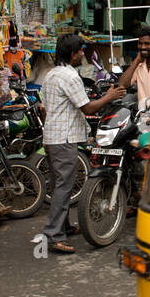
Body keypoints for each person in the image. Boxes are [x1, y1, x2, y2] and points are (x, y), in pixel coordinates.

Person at [40, 35, 124, 255]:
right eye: (80, 52)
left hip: (53, 137)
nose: (82, 55)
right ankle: (53, 235)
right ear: (72, 54)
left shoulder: (51, 75)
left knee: (61, 183)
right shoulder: (69, 76)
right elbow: (88, 108)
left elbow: (46, 109)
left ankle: (63, 227)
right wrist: (110, 95)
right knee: (63, 186)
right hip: (64, 138)